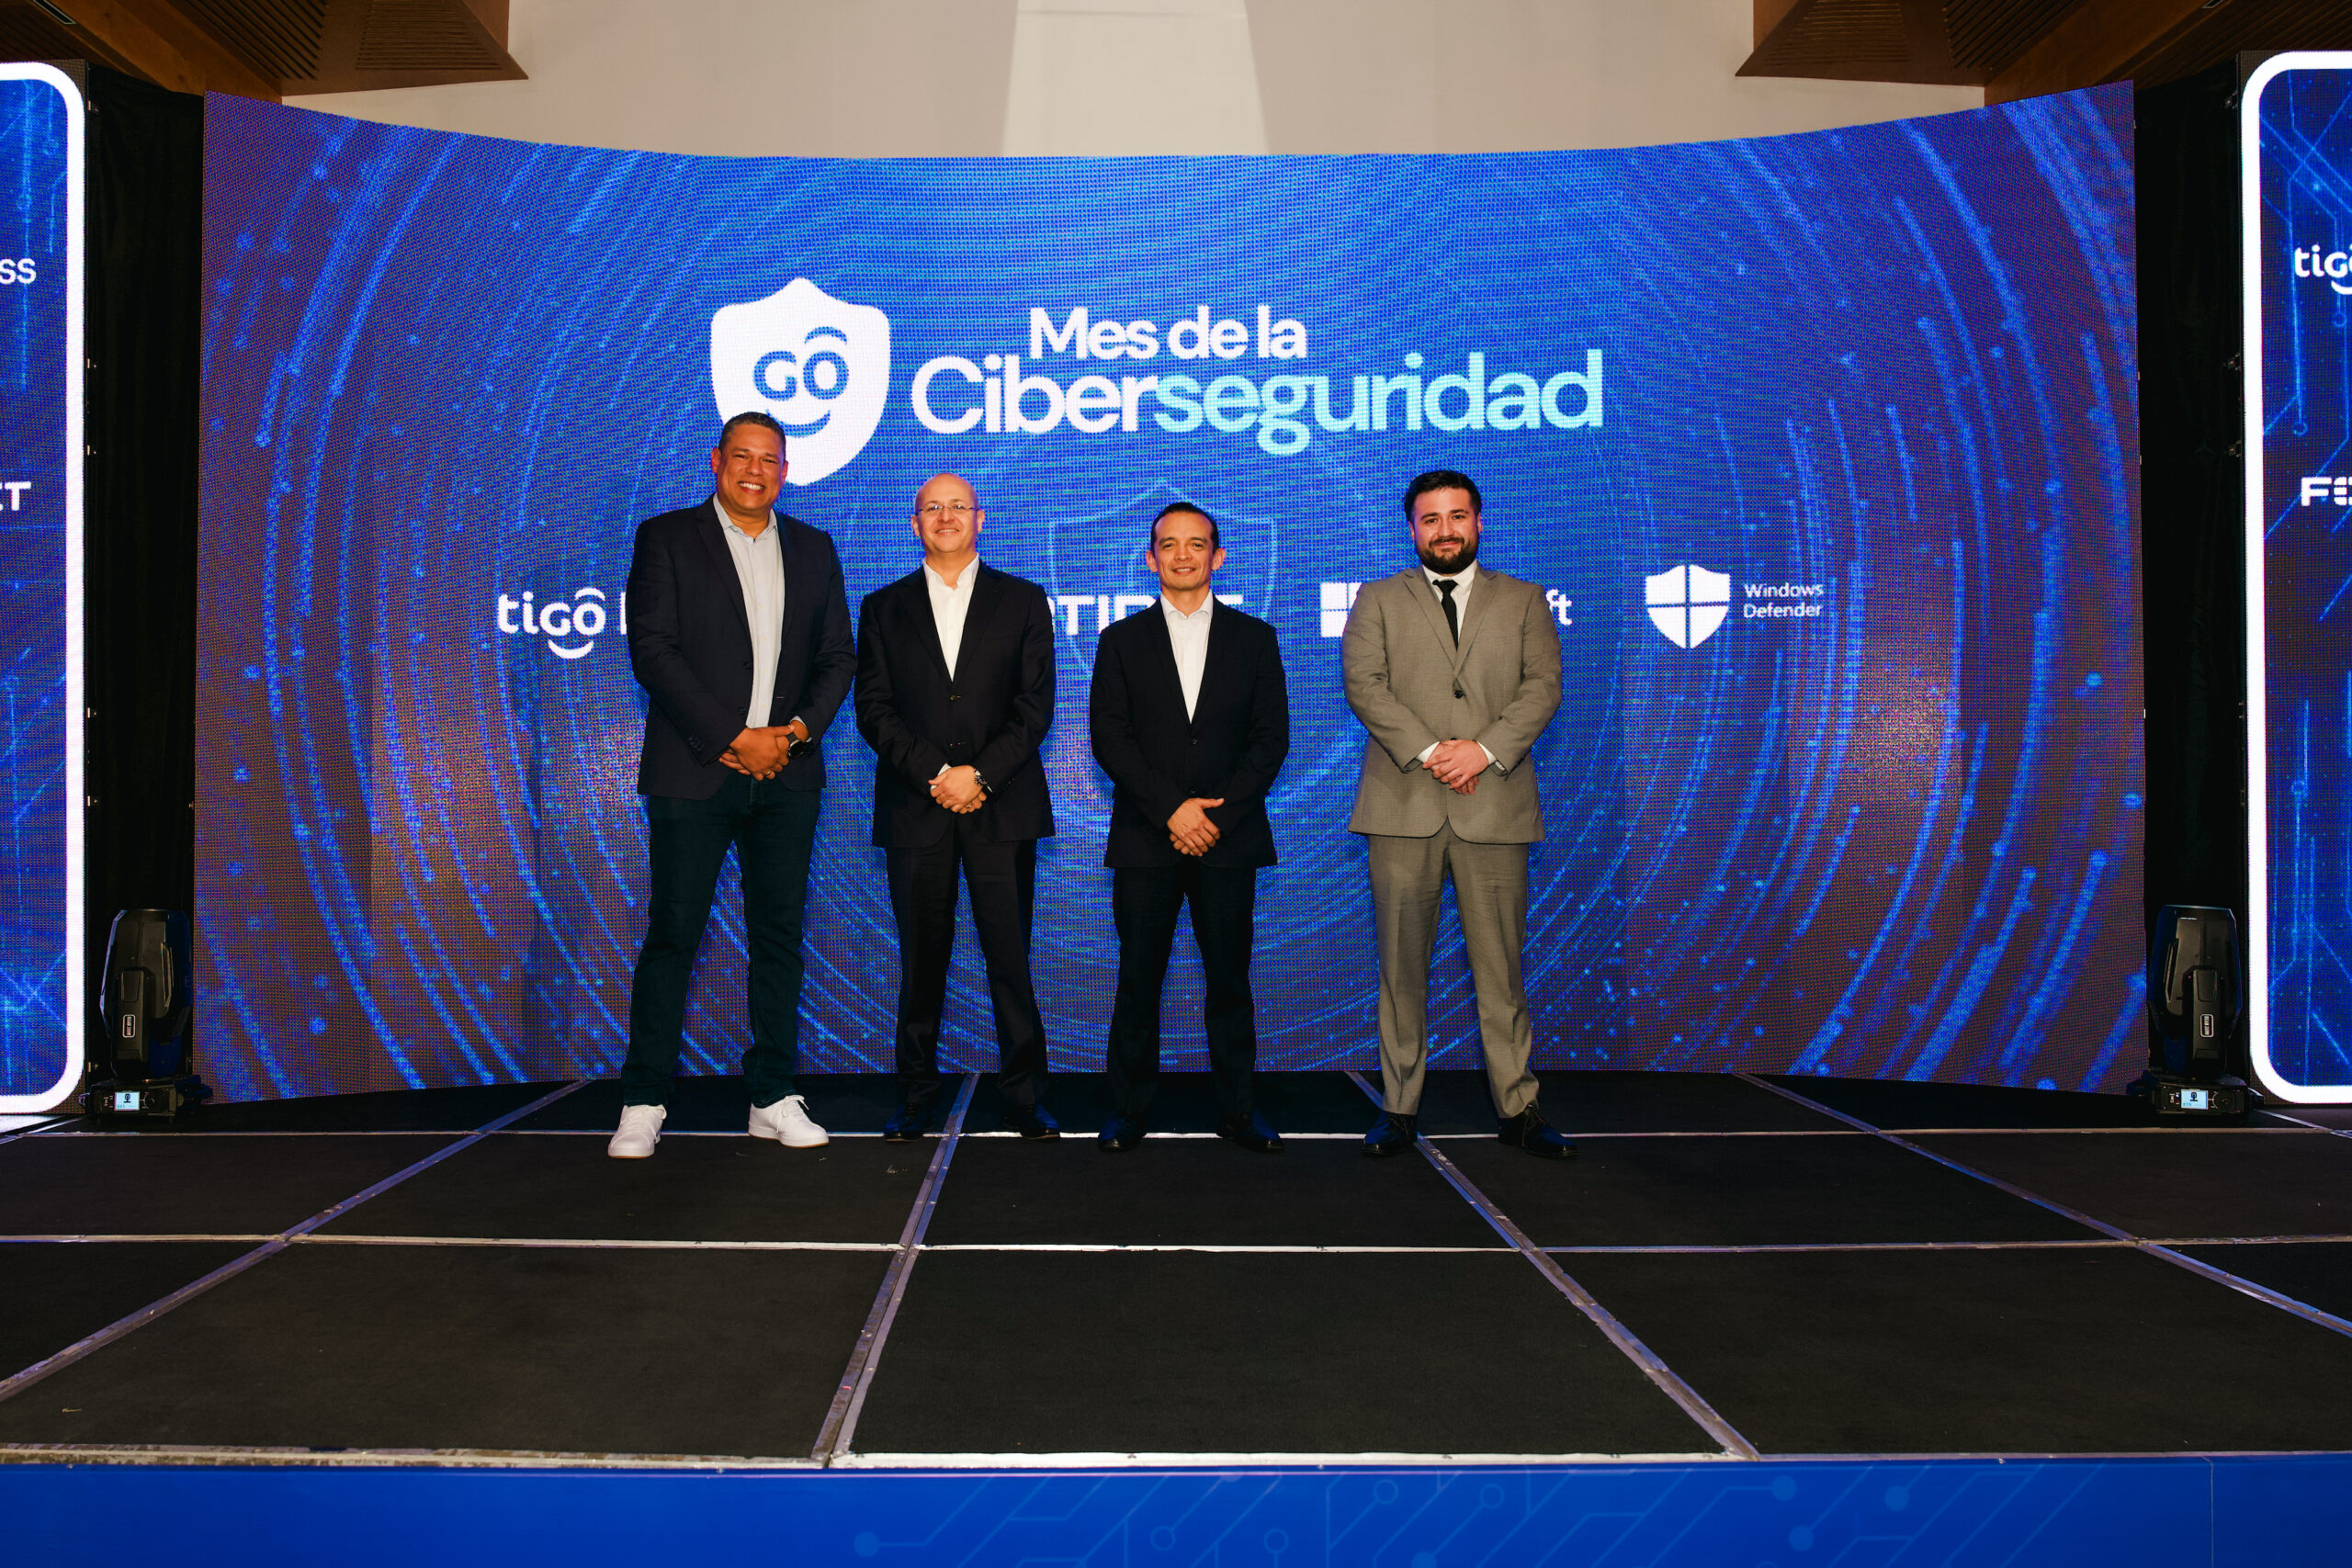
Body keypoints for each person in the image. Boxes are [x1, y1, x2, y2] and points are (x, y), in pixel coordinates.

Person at [607, 412, 855, 1159]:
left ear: (786, 469)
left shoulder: (814, 547)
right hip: (694, 772)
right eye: (742, 456)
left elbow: (837, 658)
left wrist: (792, 735)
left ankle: (772, 1094)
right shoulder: (666, 538)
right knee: (674, 933)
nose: (756, 470)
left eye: (769, 459)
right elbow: (653, 650)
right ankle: (644, 1098)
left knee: (779, 936)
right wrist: (732, 737)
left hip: (788, 774)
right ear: (716, 461)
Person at [1340, 468, 1573, 1159]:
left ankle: (1519, 1108)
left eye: (1457, 516)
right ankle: (1399, 1108)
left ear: (1479, 521)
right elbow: (1365, 686)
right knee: (1400, 969)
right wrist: (1433, 751)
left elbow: (1543, 687)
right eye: (1431, 519)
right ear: (1412, 529)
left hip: (1495, 805)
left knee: (1501, 970)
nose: (1445, 531)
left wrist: (1483, 751)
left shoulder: (1524, 599)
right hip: (1402, 806)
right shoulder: (1378, 598)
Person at [855, 473, 1060, 1139]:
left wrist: (981, 776)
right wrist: (938, 775)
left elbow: (1034, 706)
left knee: (1010, 958)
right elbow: (873, 709)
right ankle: (916, 1095)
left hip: (1002, 808)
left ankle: (1024, 1096)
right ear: (914, 523)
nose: (946, 517)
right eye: (932, 508)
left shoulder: (1023, 600)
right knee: (921, 962)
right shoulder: (882, 607)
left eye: (958, 507)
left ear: (981, 518)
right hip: (917, 809)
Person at [1089, 502, 1291, 1152]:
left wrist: (1217, 817)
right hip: (1146, 837)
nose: (1183, 555)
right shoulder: (1120, 640)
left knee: (1230, 982)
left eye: (1196, 544)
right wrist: (1172, 809)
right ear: (1151, 559)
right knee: (1137, 979)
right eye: (1169, 545)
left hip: (1229, 841)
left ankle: (1239, 1111)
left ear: (1218, 556)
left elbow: (1270, 740)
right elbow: (1110, 738)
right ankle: (1128, 1110)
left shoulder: (1255, 638)